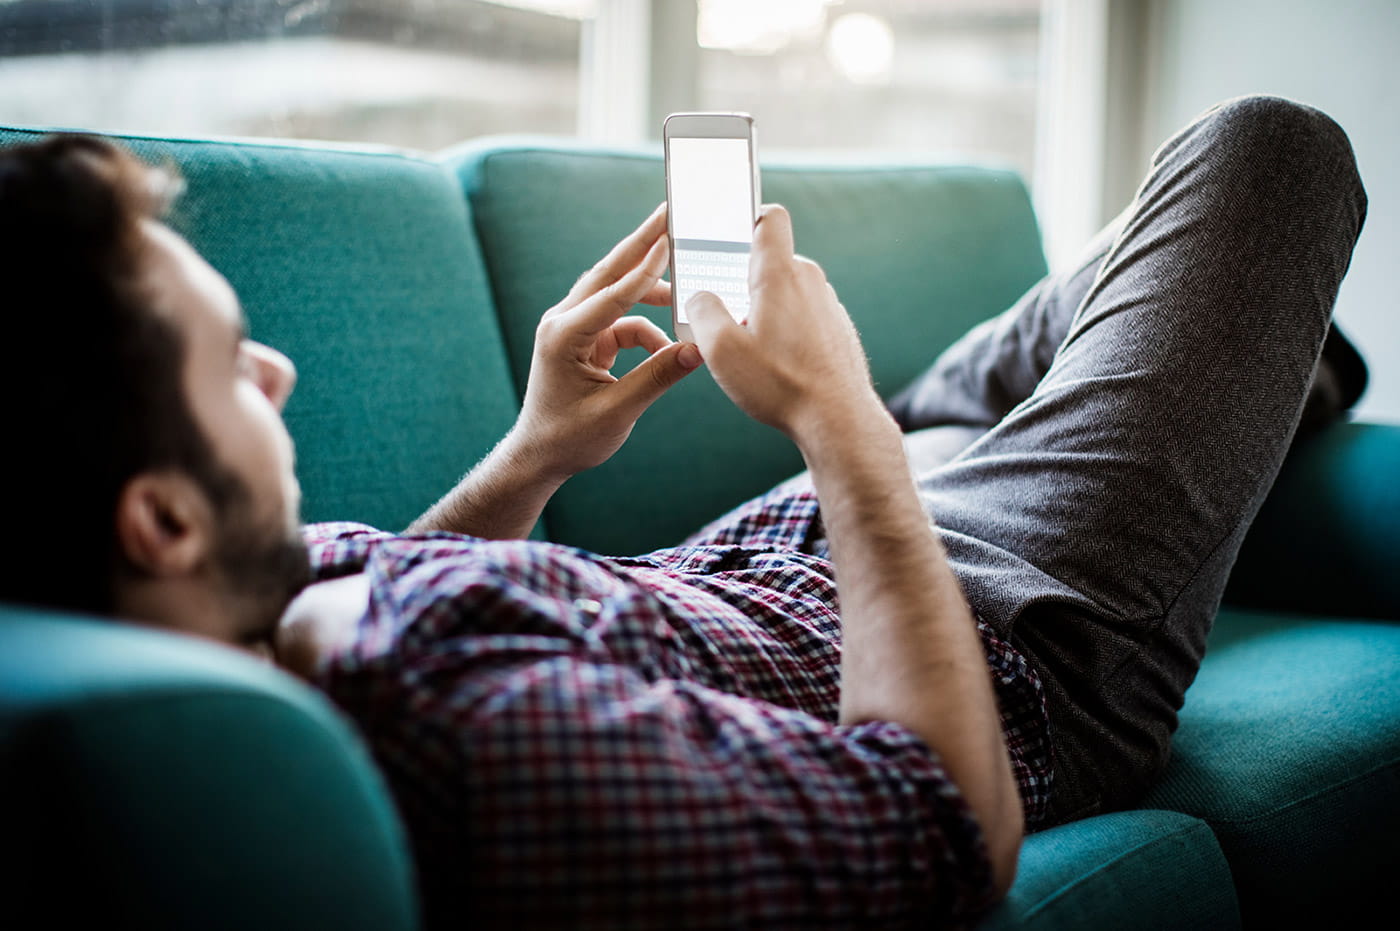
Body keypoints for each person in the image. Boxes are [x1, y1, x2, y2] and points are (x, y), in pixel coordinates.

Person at [0, 94, 1366, 928]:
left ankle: (1271, 375)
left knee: (1085, 322)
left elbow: (403, 591)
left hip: (781, 550)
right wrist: (836, 419)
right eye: (231, 362)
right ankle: (1272, 374)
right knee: (1269, 154)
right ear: (160, 523)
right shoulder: (462, 738)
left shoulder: (231, 616)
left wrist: (532, 454)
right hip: (999, 629)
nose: (276, 369)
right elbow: (949, 826)